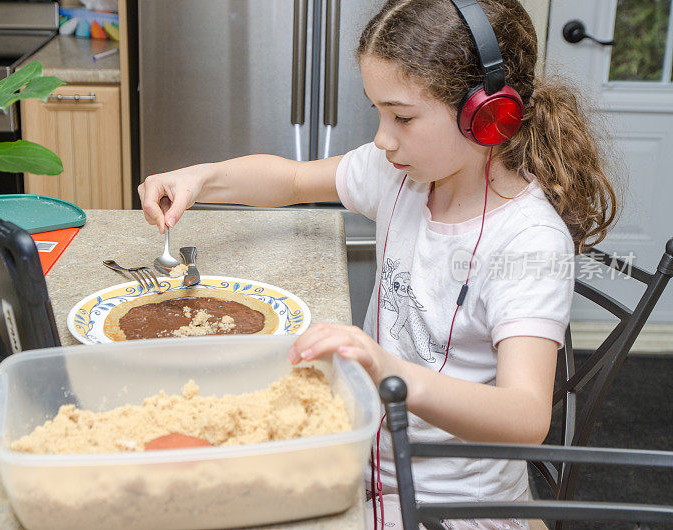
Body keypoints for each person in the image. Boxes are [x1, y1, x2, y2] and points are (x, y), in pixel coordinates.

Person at [138, 0, 618, 528]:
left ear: (487, 115)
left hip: (444, 505)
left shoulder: (527, 242)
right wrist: (199, 178)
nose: (383, 138)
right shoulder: (402, 175)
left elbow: (526, 416)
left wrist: (386, 369)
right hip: (362, 454)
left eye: (403, 117)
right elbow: (293, 180)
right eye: (378, 113)